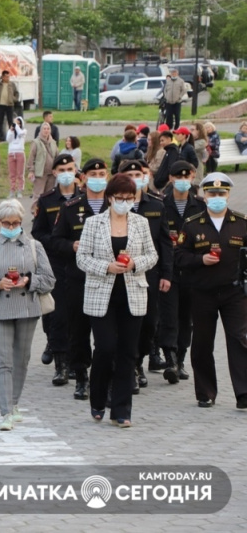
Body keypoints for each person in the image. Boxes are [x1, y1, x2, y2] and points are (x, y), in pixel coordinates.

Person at [76, 174, 158, 427]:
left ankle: (122, 410)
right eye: (120, 198)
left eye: (129, 199)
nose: (125, 203)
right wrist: (106, 267)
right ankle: (98, 398)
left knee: (127, 352)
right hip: (102, 292)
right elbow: (82, 258)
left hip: (132, 292)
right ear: (110, 198)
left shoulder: (141, 222)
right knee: (105, 347)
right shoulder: (93, 223)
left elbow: (152, 255)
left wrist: (135, 263)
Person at [0, 199, 55, 430]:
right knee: (3, 361)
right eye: (7, 223)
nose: (11, 227)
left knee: (21, 359)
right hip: (0, 309)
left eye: (16, 222)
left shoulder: (33, 246)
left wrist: (29, 281)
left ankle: (14, 403)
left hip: (27, 308)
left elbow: (49, 280)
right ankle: (6, 410)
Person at [175, 172, 247, 410]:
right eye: (212, 193)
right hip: (202, 291)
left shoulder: (241, 222)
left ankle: (244, 392)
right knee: (203, 342)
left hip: (234, 292)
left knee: (239, 340)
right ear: (204, 196)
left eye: (221, 193)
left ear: (228, 195)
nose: (217, 197)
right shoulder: (192, 223)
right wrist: (200, 259)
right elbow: (180, 256)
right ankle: (205, 392)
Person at [50, 158, 111, 400]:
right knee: (79, 330)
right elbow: (55, 241)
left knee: (106, 334)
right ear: (83, 178)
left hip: (107, 278)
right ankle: (82, 377)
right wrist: (71, 245)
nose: (97, 177)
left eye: (101, 172)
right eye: (92, 173)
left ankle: (104, 379)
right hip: (78, 279)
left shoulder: (115, 206)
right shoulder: (71, 207)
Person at [117, 160, 172, 394]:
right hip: (121, 274)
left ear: (144, 176)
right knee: (126, 322)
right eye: (129, 174)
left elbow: (165, 243)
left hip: (149, 273)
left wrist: (167, 274)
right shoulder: (115, 206)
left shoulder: (157, 206)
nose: (134, 177)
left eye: (137, 174)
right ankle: (128, 366)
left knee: (149, 323)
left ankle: (139, 361)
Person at [31, 153, 81, 380]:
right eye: (61, 170)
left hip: (83, 265)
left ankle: (75, 360)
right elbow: (37, 232)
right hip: (56, 264)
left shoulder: (87, 199)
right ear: (54, 173)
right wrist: (61, 244)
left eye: (70, 169)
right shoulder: (47, 200)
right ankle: (60, 362)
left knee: (77, 316)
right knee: (58, 314)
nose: (66, 174)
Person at [156, 161, 203, 381]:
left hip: (193, 271)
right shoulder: (161, 204)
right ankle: (171, 359)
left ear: (193, 177)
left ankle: (181, 358)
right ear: (171, 179)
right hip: (169, 269)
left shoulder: (200, 206)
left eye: (188, 176)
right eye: (178, 177)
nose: (183, 180)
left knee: (187, 318)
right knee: (168, 316)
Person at [29, 123, 58, 200]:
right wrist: (31, 171)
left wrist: (57, 169)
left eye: (48, 129)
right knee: (38, 195)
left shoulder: (53, 142)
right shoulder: (35, 142)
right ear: (41, 130)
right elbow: (31, 157)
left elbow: (57, 156)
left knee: (49, 195)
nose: (46, 130)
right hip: (40, 173)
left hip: (51, 174)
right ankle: (35, 210)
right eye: (44, 129)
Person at [0, 70, 19, 140]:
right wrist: (0, 77)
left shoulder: (12, 84)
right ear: (3, 77)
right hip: (1, 105)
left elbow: (16, 93)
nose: (8, 78)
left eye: (8, 77)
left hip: (9, 105)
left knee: (10, 121)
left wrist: (14, 99)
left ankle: (12, 136)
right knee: (0, 121)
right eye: (6, 77)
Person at [6, 116, 27, 198]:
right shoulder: (10, 131)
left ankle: (20, 190)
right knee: (12, 174)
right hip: (11, 153)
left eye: (19, 123)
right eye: (15, 123)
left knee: (20, 173)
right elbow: (8, 140)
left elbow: (20, 133)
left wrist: (16, 126)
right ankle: (12, 190)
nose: (16, 125)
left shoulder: (23, 131)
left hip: (20, 152)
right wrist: (11, 130)